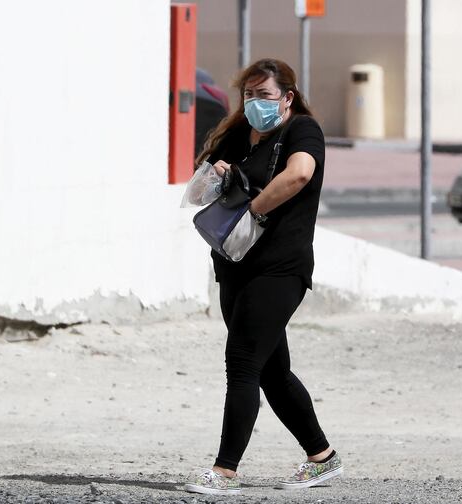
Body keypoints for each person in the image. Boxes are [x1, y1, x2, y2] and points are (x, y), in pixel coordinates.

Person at [184, 58, 342, 496]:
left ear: (287, 97)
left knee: (242, 363)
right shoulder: (238, 134)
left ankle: (224, 470)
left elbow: (300, 174)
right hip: (235, 263)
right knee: (273, 371)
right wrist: (216, 175)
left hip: (280, 266)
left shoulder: (301, 130)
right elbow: (201, 185)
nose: (255, 103)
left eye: (265, 95)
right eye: (249, 95)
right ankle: (322, 458)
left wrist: (254, 211)